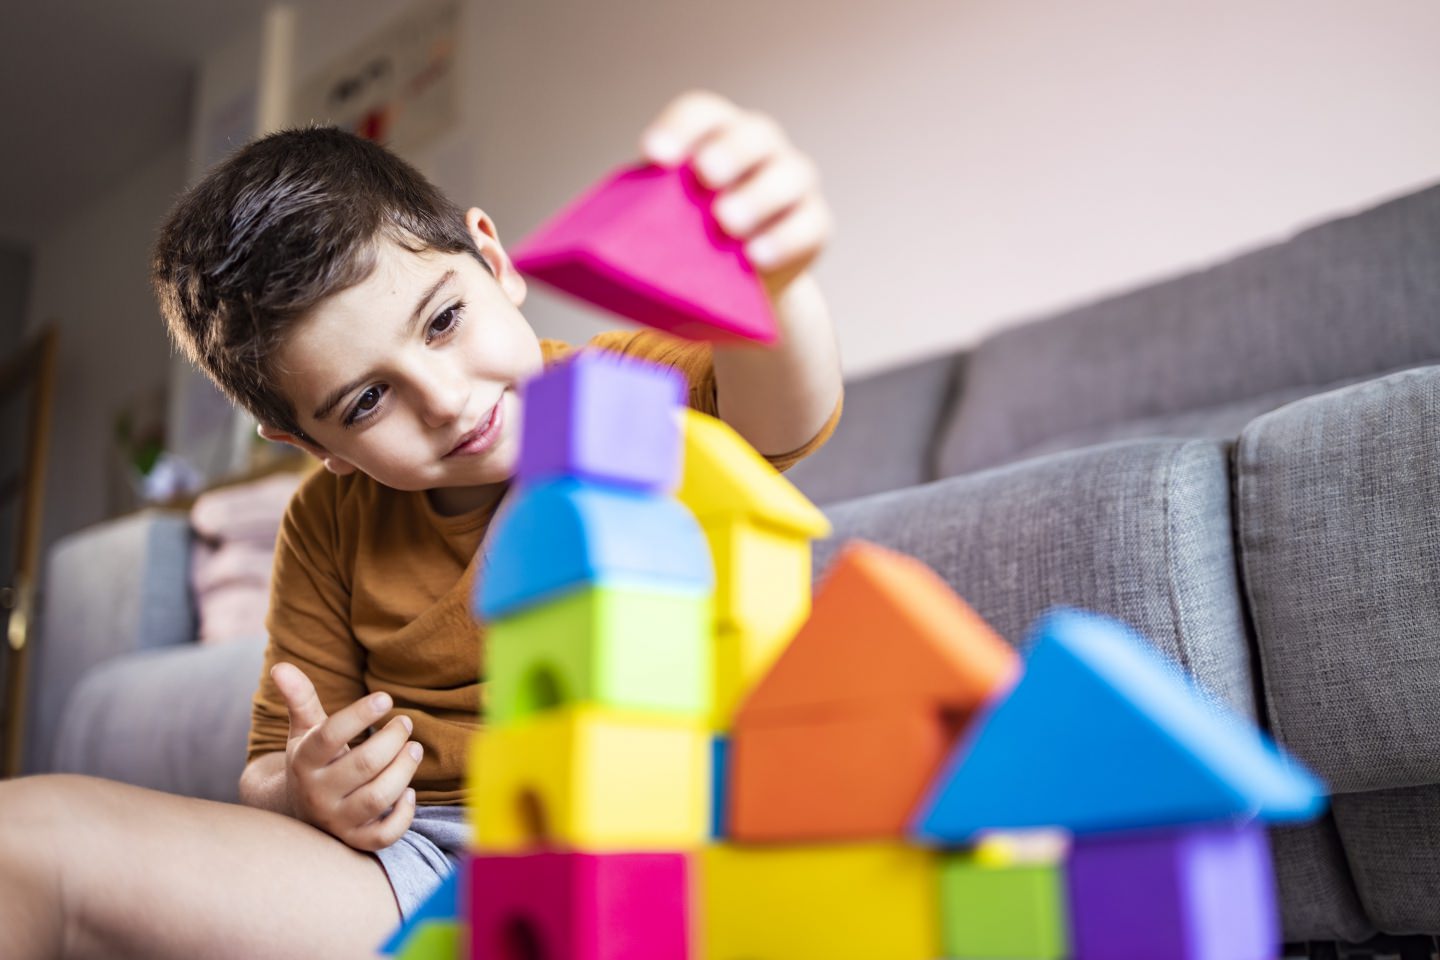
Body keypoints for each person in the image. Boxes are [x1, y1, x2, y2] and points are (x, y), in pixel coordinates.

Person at [0, 89, 842, 959]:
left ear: (493, 258)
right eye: (367, 401)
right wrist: (306, 792)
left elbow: (780, 415)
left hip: (651, 833)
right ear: (308, 443)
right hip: (423, 862)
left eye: (443, 320)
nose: (445, 401)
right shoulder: (326, 522)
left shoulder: (614, 389)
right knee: (24, 840)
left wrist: (773, 281)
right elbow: (265, 771)